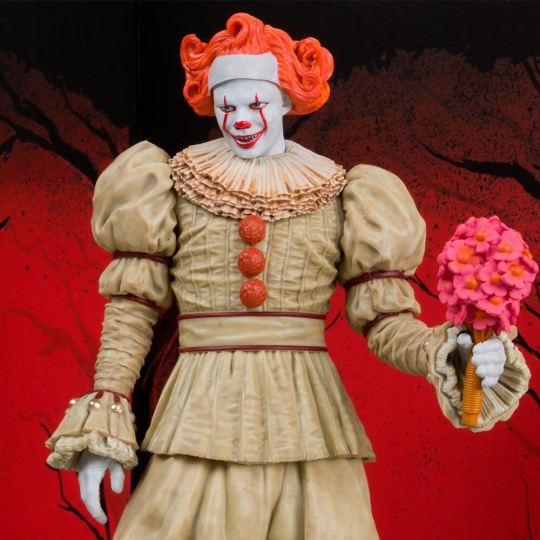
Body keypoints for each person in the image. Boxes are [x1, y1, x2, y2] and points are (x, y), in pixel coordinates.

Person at [46, 13, 530, 539]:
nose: (240, 119)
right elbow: (133, 307)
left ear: (284, 101)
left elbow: (386, 322)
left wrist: (452, 349)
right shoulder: (172, 182)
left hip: (307, 413)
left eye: (255, 103)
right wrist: (106, 416)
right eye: (226, 106)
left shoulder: (340, 191)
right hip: (199, 411)